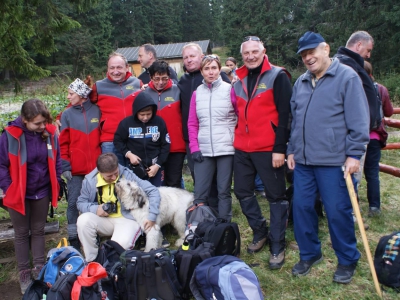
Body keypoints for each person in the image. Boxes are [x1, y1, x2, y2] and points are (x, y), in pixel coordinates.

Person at [287, 31, 369, 284]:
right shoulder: (300, 82)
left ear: (326, 48)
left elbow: (358, 119)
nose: (308, 58)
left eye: (312, 52)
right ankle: (310, 253)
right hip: (303, 162)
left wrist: (354, 154)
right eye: (303, 55)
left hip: (334, 162)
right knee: (301, 208)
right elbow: (294, 120)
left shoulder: (347, 77)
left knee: (337, 211)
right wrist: (291, 148)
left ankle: (347, 259)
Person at [233, 36, 292, 269]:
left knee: (276, 196)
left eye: (255, 52)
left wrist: (280, 149)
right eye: (246, 53)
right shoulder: (238, 79)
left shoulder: (278, 76)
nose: (250, 56)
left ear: (263, 51)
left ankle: (278, 243)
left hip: (269, 149)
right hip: (242, 147)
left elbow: (286, 115)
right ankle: (261, 231)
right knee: (242, 191)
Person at [0, 99, 62, 294]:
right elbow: (1, 165)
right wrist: (9, 188)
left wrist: (57, 183)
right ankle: (24, 274)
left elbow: (57, 159)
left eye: (44, 121)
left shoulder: (50, 134)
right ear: (24, 120)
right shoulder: (10, 135)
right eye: (37, 123)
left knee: (38, 230)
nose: (43, 126)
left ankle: (40, 270)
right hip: (18, 193)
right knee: (21, 233)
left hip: (41, 190)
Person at [76, 153, 161, 262]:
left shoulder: (127, 174)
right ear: (100, 172)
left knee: (117, 248)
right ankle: (92, 260)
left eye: (116, 173)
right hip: (104, 219)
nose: (114, 177)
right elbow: (80, 202)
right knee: (83, 220)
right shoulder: (90, 180)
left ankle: (109, 265)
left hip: (127, 219)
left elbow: (153, 191)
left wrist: (152, 215)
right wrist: (96, 209)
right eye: (109, 176)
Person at [187, 55, 237, 221]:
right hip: (204, 149)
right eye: (207, 68)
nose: (211, 72)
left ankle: (224, 227)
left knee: (223, 191)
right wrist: (194, 148)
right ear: (201, 71)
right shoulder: (196, 94)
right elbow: (192, 123)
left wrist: (235, 140)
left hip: (226, 148)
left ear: (219, 69)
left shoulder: (230, 89)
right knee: (200, 192)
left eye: (214, 68)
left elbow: (239, 116)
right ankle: (199, 227)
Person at [178, 43, 231, 182]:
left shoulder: (219, 78)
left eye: (192, 56)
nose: (189, 60)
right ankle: (203, 203)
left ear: (201, 57)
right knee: (199, 178)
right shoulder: (182, 81)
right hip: (191, 139)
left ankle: (219, 203)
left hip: (216, 138)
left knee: (217, 179)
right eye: (185, 57)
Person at [59, 77, 101, 250]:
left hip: (96, 169)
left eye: (71, 93)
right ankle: (73, 237)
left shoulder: (97, 111)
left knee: (95, 201)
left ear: (82, 95)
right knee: (73, 202)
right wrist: (65, 166)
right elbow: (63, 143)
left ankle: (94, 234)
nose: (68, 97)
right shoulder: (67, 115)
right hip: (76, 170)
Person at [89, 52, 142, 166]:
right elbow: (82, 102)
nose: (115, 71)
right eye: (111, 68)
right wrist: (60, 116)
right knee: (112, 176)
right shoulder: (98, 86)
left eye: (119, 67)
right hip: (109, 140)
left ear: (127, 67)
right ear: (107, 69)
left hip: (134, 137)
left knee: (135, 177)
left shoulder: (137, 83)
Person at [144, 60, 186, 188]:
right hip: (153, 148)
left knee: (174, 183)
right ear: (150, 77)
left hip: (175, 147)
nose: (160, 82)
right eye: (156, 79)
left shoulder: (178, 90)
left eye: (164, 78)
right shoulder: (144, 94)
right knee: (155, 184)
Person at [114, 92, 170, 187]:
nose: (145, 117)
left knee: (158, 194)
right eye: (142, 114)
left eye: (148, 114)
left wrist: (158, 165)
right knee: (137, 196)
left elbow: (166, 145)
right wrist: (129, 154)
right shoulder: (126, 123)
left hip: (156, 167)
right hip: (135, 168)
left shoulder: (159, 122)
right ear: (136, 112)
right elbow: (117, 141)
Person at [363, 61, 394, 216]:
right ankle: (374, 207)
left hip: (355, 137)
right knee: (372, 172)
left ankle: (350, 209)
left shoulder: (352, 86)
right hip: (374, 136)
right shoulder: (380, 89)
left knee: (350, 172)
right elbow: (388, 112)